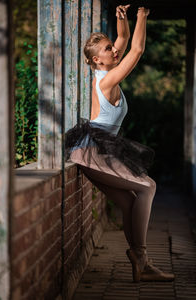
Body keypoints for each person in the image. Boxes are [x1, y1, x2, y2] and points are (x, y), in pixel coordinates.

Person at [65, 4, 175, 282]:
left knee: (128, 202)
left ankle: (142, 264)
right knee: (147, 187)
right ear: (97, 61)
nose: (114, 50)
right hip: (93, 151)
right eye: (107, 50)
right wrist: (142, 15)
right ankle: (140, 256)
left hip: (95, 150)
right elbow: (136, 51)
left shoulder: (105, 72)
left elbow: (125, 41)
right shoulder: (106, 80)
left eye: (111, 47)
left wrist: (122, 20)